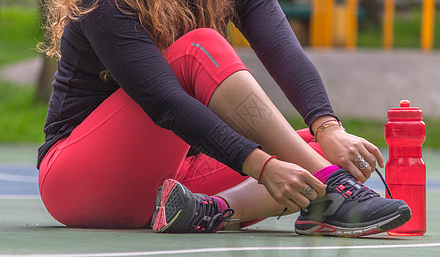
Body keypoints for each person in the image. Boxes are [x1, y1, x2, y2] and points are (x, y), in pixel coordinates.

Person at [37, 0, 411, 237]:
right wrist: (262, 165)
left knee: (318, 150)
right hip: (76, 179)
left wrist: (329, 129)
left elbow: (284, 52)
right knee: (199, 49)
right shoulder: (100, 4)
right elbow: (165, 103)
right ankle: (334, 190)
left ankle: (207, 211)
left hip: (169, 180)